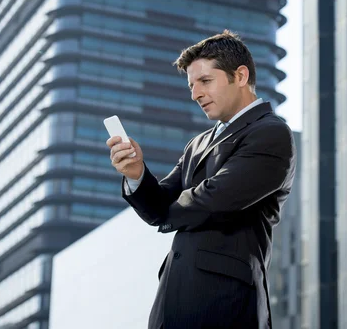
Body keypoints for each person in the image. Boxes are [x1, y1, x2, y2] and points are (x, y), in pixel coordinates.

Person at [107, 30, 296, 329]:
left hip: (226, 305)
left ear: (241, 75)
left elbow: (214, 200)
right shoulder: (197, 144)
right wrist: (137, 174)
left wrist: (168, 208)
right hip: (172, 302)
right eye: (192, 85)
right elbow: (158, 209)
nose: (195, 94)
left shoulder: (271, 133)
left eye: (205, 81)